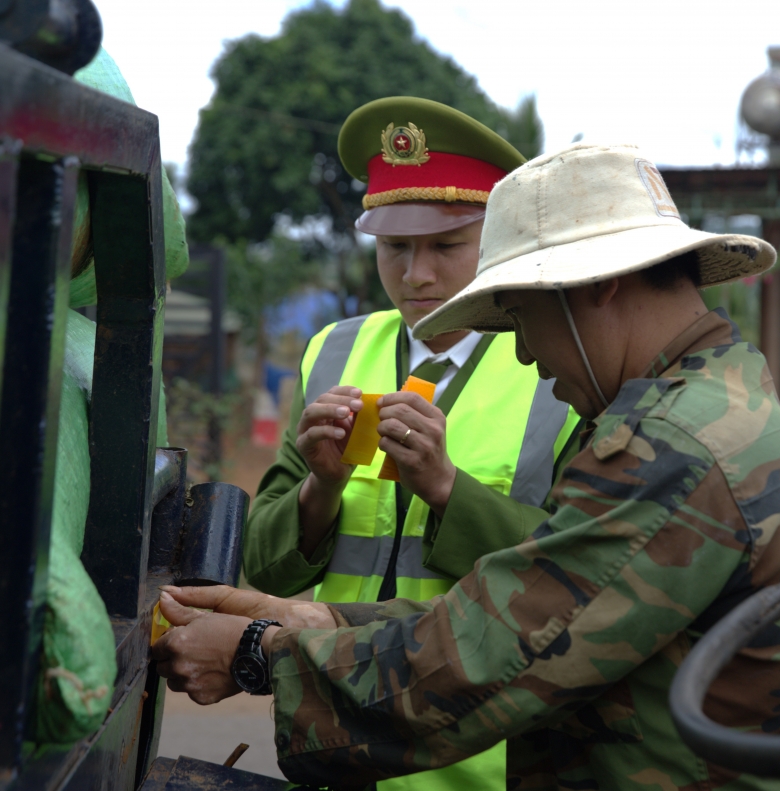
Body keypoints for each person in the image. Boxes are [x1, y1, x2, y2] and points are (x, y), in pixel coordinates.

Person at [154, 142, 780, 790]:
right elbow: (535, 596)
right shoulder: (704, 396)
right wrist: (314, 622)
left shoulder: (672, 441)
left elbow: (498, 650)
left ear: (596, 285)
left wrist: (259, 654)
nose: (522, 356)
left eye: (520, 316)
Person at [241, 97, 581, 791]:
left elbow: (581, 574)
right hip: (337, 736)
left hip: (480, 756)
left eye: (446, 246)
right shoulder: (332, 352)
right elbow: (266, 567)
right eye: (395, 247)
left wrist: (448, 488)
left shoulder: (555, 371)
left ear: (495, 238)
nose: (416, 274)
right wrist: (321, 487)